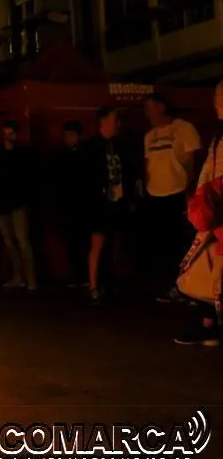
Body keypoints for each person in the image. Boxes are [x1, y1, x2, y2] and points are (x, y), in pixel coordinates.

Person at [175, 80, 223, 345]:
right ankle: (209, 326)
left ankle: (211, 327)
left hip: (217, 214)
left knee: (214, 273)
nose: (215, 101)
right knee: (208, 271)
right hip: (214, 215)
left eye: (218, 95)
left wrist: (206, 202)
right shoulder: (219, 135)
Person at [143, 93, 202, 303]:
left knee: (182, 243)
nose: (147, 113)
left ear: (161, 107)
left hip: (177, 193)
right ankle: (171, 286)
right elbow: (148, 166)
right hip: (155, 195)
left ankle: (188, 287)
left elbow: (192, 163)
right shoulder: (149, 136)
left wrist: (189, 193)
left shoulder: (184, 129)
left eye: (150, 108)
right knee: (163, 244)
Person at [85, 106, 136, 304]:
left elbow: (128, 172)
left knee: (113, 244)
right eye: (114, 120)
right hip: (99, 204)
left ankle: (108, 282)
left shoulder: (120, 145)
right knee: (97, 245)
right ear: (104, 121)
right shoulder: (92, 147)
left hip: (117, 202)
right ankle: (93, 285)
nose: (118, 124)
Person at [0, 120, 36, 290]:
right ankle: (18, 276)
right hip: (2, 204)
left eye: (10, 134)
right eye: (4, 134)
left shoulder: (22, 153)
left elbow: (27, 177)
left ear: (16, 135)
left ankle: (31, 279)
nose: (7, 138)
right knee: (9, 242)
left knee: (23, 241)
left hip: (18, 203)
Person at [54, 121, 91, 287]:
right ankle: (77, 275)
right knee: (71, 243)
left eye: (71, 135)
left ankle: (85, 275)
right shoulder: (61, 156)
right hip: (68, 207)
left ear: (78, 136)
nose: (68, 138)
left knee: (84, 243)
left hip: (83, 206)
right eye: (66, 135)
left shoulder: (86, 155)